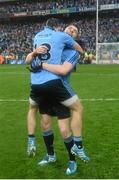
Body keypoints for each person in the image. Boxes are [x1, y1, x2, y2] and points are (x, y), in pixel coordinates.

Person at [26, 20, 89, 170]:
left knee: (64, 130)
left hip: (60, 89)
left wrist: (41, 65)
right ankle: (51, 155)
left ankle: (72, 160)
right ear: (62, 30)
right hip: (46, 88)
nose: (71, 30)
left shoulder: (73, 52)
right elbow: (31, 59)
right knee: (45, 123)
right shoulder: (54, 41)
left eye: (75, 31)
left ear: (75, 37)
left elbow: (63, 70)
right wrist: (34, 56)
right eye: (70, 27)